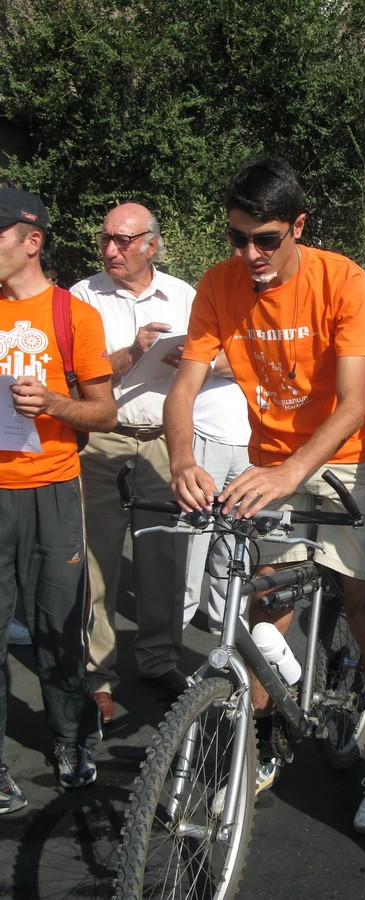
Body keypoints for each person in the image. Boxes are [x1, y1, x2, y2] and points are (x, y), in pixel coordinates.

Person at [164, 157, 365, 833]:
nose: (250, 255)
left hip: (344, 460)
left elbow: (354, 403)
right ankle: (265, 742)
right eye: (237, 238)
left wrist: (293, 472)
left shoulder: (341, 278)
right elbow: (182, 388)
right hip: (270, 463)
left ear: (298, 226)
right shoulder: (219, 284)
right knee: (262, 602)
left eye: (265, 239)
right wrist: (182, 460)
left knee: (363, 606)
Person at [0, 188, 117, 811]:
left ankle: (70, 740)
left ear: (32, 240)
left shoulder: (74, 316)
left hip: (52, 487)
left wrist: (51, 402)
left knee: (57, 625)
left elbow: (104, 412)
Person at [70, 202, 195, 724]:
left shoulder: (185, 296)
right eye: (105, 239)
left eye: (122, 240)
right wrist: (132, 352)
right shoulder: (82, 297)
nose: (111, 249)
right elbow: (73, 379)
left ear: (151, 244)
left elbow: (216, 362)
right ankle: (97, 676)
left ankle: (159, 660)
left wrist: (192, 360)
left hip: (165, 443)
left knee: (161, 558)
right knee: (96, 561)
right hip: (102, 441)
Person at [182, 356, 251, 633]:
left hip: (251, 439)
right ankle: (178, 617)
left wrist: (217, 364)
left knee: (237, 535)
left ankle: (228, 620)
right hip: (205, 431)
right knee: (193, 532)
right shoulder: (208, 327)